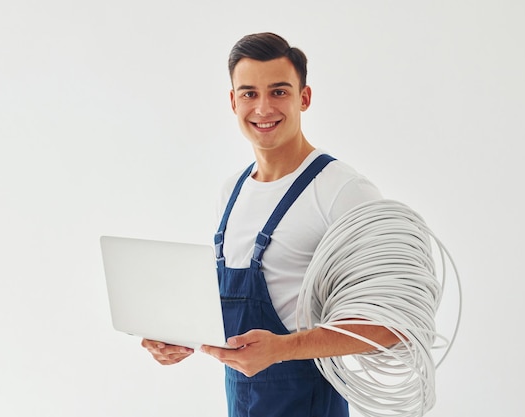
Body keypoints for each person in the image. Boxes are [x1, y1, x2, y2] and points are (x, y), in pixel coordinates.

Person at [142, 32, 402, 417]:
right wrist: (176, 336)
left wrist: (282, 349)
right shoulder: (231, 192)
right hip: (242, 405)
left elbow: (392, 325)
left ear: (304, 97)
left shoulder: (342, 191)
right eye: (249, 93)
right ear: (233, 102)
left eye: (279, 92)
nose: (263, 108)